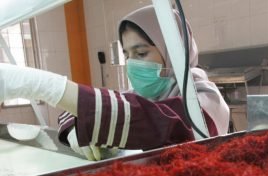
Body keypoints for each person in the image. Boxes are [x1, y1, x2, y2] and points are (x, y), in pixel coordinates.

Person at [0, 5, 229, 161]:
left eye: (141, 54)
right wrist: (77, 130)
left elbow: (163, 122)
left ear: (175, 51)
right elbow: (99, 108)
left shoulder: (205, 97)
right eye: (127, 55)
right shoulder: (136, 94)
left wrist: (43, 86)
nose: (131, 64)